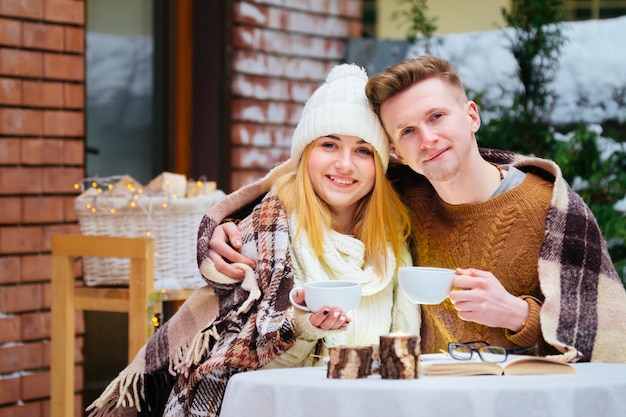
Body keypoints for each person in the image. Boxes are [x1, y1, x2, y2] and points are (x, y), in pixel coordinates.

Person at [208, 55, 626, 363]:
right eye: (407, 130)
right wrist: (220, 226)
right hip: (416, 401)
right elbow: (300, 186)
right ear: (395, 152)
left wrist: (519, 314)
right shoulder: (401, 197)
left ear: (472, 116)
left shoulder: (551, 210)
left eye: (437, 116)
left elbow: (608, 344)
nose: (426, 139)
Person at [87, 64, 419, 417]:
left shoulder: (395, 239)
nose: (345, 164)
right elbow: (240, 368)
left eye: (364, 151)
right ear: (305, 154)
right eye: (329, 144)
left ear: (381, 163)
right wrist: (300, 327)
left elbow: (403, 349)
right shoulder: (265, 233)